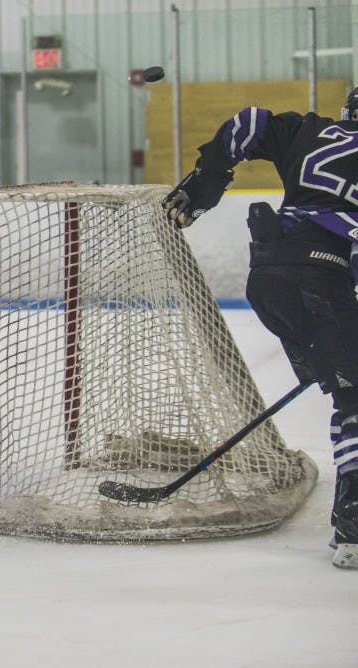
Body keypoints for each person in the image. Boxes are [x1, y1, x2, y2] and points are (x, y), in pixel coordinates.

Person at [162, 88, 358, 569]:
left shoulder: (312, 130)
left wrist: (206, 182)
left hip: (270, 277)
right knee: (354, 399)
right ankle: (353, 525)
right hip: (321, 280)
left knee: (344, 381)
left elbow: (249, 123)